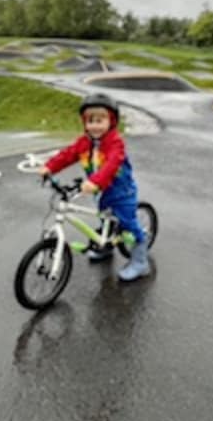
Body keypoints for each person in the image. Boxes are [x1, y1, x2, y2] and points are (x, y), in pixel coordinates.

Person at [38, 93, 150, 281]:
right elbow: (68, 154)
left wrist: (95, 182)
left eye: (100, 120)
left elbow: (111, 165)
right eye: (90, 120)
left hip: (121, 193)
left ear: (111, 121)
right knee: (104, 219)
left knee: (129, 225)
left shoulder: (115, 143)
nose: (95, 125)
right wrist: (50, 166)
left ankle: (140, 262)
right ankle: (105, 247)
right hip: (100, 192)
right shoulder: (85, 142)